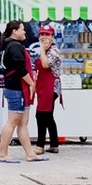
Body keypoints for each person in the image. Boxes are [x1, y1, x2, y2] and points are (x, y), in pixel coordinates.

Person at [0, 20, 48, 163]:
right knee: (13, 121)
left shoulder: (10, 45)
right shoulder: (14, 46)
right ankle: (3, 153)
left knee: (23, 122)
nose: (25, 32)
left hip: (17, 88)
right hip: (16, 89)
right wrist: (32, 83)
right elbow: (20, 68)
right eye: (22, 29)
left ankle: (30, 153)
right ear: (14, 31)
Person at [33, 24, 62, 154]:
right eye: (42, 34)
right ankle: (54, 144)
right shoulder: (40, 49)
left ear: (52, 36)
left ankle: (40, 145)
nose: (44, 37)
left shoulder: (54, 50)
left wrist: (43, 51)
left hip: (51, 87)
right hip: (42, 85)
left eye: (47, 34)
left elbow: (45, 65)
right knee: (48, 116)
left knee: (41, 115)